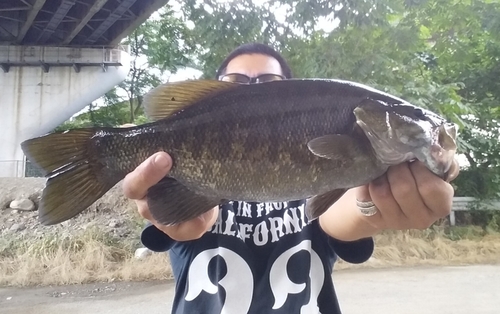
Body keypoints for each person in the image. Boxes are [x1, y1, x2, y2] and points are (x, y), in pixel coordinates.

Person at [123, 43, 458, 313]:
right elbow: (172, 215)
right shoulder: (191, 186)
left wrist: (374, 206)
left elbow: (344, 213)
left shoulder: (323, 185)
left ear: (291, 93)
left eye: (269, 84)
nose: (252, 91)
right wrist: (174, 207)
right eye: (236, 83)